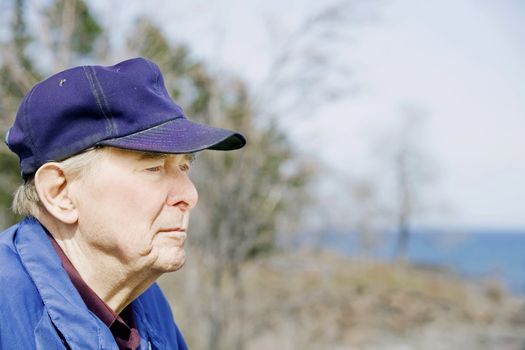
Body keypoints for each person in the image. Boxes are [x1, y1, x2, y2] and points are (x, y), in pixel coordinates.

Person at [0, 57, 246, 349]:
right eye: (153, 168)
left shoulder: (147, 306)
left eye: (183, 167)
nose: (189, 195)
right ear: (60, 192)